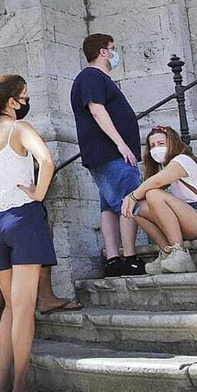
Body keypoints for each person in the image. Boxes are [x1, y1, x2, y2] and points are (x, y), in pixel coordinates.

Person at [0, 74, 57, 392]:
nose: (26, 102)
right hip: (22, 217)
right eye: (24, 96)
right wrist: (38, 194)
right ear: (12, 102)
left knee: (9, 305)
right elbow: (47, 160)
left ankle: (1, 381)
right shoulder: (19, 129)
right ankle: (20, 382)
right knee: (23, 307)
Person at [70, 33, 143, 276]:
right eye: (113, 48)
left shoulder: (94, 78)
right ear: (103, 52)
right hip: (111, 153)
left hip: (106, 154)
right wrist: (121, 144)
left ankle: (113, 259)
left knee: (109, 207)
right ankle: (130, 257)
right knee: (129, 200)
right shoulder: (91, 76)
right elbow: (97, 110)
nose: (115, 53)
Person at [121, 126, 197, 273]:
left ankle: (180, 254)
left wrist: (132, 196)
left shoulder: (183, 160)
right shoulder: (166, 167)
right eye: (152, 146)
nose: (156, 149)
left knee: (153, 194)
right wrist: (131, 200)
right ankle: (167, 254)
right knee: (136, 208)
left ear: (172, 142)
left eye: (161, 144)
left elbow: (155, 183)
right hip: (189, 216)